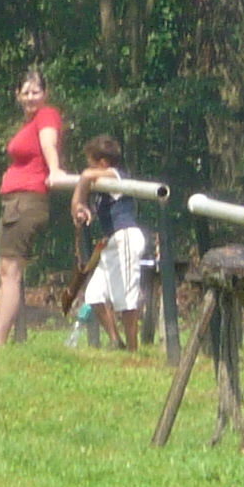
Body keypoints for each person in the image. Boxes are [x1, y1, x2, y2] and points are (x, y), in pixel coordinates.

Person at [0, 68, 66, 347]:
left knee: (11, 271)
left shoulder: (46, 115)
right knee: (5, 271)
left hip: (26, 201)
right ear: (18, 95)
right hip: (15, 203)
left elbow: (49, 143)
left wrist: (55, 170)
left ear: (46, 93)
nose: (31, 97)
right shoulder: (28, 123)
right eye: (26, 92)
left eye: (36, 91)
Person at [71, 135, 147, 351]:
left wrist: (77, 202)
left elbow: (87, 175)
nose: (89, 167)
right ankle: (116, 341)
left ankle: (133, 350)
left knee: (127, 299)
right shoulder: (104, 184)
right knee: (94, 294)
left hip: (126, 239)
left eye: (91, 162)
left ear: (103, 163)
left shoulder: (115, 175)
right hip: (112, 242)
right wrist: (82, 209)